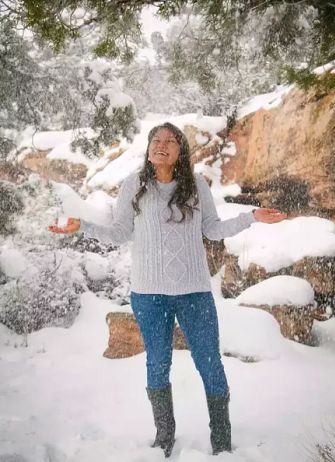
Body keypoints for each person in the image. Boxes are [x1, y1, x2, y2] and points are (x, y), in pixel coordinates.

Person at [48, 122, 287, 457]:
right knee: (157, 365)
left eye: (169, 141)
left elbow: (214, 230)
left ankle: (221, 440)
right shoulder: (133, 185)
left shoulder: (196, 186)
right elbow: (119, 233)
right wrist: (82, 226)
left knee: (210, 364)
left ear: (180, 150)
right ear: (148, 148)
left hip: (194, 292)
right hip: (148, 294)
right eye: (155, 140)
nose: (161, 145)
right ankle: (164, 438)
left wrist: (252, 217)